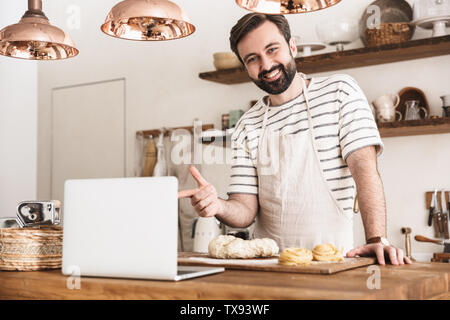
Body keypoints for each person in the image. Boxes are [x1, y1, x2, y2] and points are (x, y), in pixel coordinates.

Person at [178, 13, 411, 265]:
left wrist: (377, 239)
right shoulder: (247, 125)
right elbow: (245, 210)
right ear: (245, 67)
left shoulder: (340, 92)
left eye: (272, 49)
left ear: (292, 46)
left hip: (333, 263)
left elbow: (365, 170)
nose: (266, 65)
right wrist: (218, 206)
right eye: (252, 59)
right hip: (270, 268)